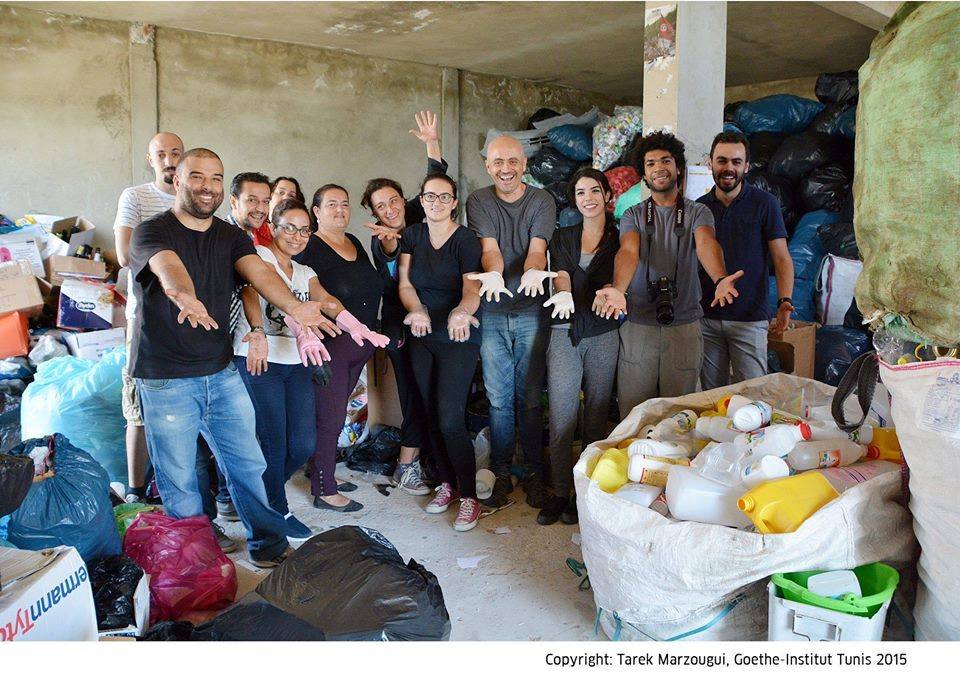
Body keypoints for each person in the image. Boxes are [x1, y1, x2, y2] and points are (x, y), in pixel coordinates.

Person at [128, 147, 334, 568]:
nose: (207, 186)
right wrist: (184, 294)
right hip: (166, 378)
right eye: (197, 177)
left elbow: (259, 274)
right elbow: (169, 267)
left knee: (249, 465)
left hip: (221, 371)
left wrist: (295, 308)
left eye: (216, 178)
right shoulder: (151, 231)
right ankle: (196, 568)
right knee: (180, 479)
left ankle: (269, 546)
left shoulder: (232, 237)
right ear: (178, 181)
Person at [594, 131, 743, 417]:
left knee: (680, 416)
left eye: (665, 161)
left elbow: (706, 243)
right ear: (644, 175)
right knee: (635, 414)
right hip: (639, 326)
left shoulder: (698, 212)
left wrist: (720, 277)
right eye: (650, 163)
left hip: (684, 326)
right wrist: (618, 289)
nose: (658, 168)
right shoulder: (634, 215)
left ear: (678, 168)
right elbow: (628, 251)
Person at [233, 198, 346, 541]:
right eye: (289, 228)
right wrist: (257, 331)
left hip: (296, 361)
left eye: (304, 230)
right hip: (260, 358)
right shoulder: (259, 256)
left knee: (302, 443)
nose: (297, 237)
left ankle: (255, 495)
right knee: (274, 442)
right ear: (273, 227)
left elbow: (325, 301)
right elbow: (249, 291)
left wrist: (353, 323)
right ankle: (277, 510)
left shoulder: (304, 271)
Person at [465, 134, 557, 509]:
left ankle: (534, 472)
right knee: (499, 399)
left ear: (525, 164)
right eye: (499, 162)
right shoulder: (478, 200)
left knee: (530, 398)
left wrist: (533, 272)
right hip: (492, 310)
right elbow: (490, 249)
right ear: (488, 166)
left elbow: (538, 249)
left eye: (513, 161)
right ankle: (501, 471)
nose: (506, 169)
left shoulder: (542, 200)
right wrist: (495, 275)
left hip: (531, 310)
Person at [361, 110, 448, 496]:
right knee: (415, 394)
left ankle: (428, 460)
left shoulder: (416, 214)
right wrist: (391, 242)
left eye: (393, 200)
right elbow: (393, 256)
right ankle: (407, 465)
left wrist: (431, 142)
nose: (390, 209)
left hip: (433, 318)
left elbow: (435, 179)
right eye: (381, 206)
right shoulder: (381, 239)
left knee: (435, 393)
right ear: (374, 213)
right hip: (400, 324)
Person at [294, 184, 390, 512]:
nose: (340, 210)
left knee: (335, 414)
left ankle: (319, 470)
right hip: (330, 346)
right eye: (331, 204)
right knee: (330, 418)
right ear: (316, 212)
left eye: (345, 204)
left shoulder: (354, 242)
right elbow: (296, 292)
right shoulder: (309, 247)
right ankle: (324, 490)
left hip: (358, 347)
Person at [398, 173, 484, 531]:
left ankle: (470, 497)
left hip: (457, 336)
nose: (436, 203)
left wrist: (461, 313)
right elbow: (405, 283)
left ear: (454, 202)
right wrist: (416, 309)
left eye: (444, 197)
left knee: (450, 418)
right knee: (430, 413)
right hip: (421, 333)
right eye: (430, 197)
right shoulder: (412, 235)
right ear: (421, 200)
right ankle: (447, 484)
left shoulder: (465, 239)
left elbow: (472, 288)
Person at [538, 168, 621, 526]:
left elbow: (624, 277)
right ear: (574, 200)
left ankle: (584, 492)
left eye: (595, 191)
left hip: (603, 332)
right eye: (581, 192)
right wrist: (565, 294)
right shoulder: (563, 236)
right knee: (561, 415)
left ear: (607, 196)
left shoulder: (620, 237)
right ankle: (560, 492)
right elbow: (561, 273)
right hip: (564, 330)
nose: (588, 198)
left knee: (597, 415)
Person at [113, 131, 182, 508]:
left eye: (176, 153)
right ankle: (135, 488)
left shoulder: (195, 202)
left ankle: (173, 485)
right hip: (146, 319)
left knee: (182, 409)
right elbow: (125, 255)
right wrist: (169, 260)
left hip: (187, 319)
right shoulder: (136, 197)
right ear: (150, 159)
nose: (169, 160)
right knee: (138, 408)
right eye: (161, 154)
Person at [697, 131, 794, 389]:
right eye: (722, 161)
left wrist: (784, 300)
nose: (728, 168)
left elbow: (781, 258)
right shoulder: (699, 208)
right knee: (711, 396)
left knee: (752, 396)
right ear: (710, 163)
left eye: (736, 162)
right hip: (706, 318)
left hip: (749, 319)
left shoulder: (765, 204)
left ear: (747, 166)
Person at [228, 172, 273, 247]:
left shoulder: (257, 235)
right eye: (252, 200)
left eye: (266, 201)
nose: (261, 209)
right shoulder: (221, 238)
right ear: (233, 202)